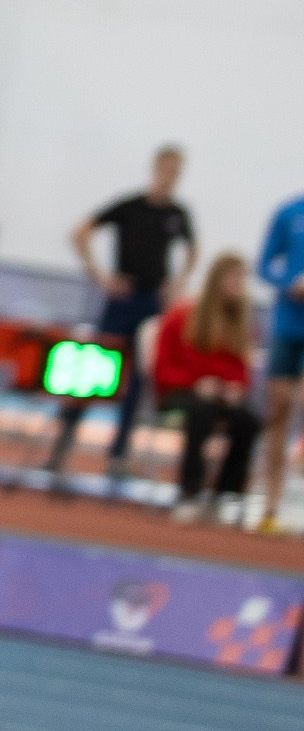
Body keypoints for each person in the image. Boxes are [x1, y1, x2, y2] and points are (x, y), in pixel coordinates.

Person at [51, 147, 196, 479]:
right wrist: (100, 276)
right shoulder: (130, 206)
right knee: (95, 370)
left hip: (152, 302)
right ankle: (63, 443)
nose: (170, 176)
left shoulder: (177, 213)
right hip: (123, 299)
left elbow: (192, 249)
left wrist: (179, 283)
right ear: (156, 167)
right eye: (167, 168)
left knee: (138, 379)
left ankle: (119, 454)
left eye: (177, 170)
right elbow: (80, 232)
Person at [151, 252, 262, 524]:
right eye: (234, 279)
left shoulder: (239, 323)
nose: (239, 287)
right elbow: (162, 369)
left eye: (242, 280)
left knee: (248, 422)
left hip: (219, 398)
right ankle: (190, 492)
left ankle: (226, 495)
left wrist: (234, 389)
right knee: (199, 414)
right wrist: (195, 385)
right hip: (179, 395)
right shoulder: (182, 316)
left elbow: (241, 371)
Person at [256, 190, 304, 534]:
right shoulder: (289, 212)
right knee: (278, 412)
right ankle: (270, 505)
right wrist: (290, 283)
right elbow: (264, 265)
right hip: (287, 328)